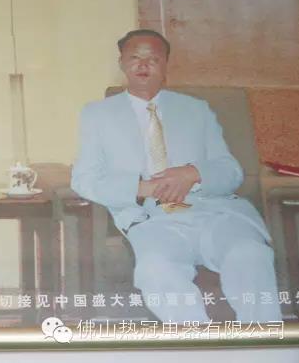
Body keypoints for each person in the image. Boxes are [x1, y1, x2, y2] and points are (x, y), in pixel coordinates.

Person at [71, 29, 281, 323]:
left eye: (153, 59)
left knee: (250, 255)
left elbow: (230, 171)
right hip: (153, 218)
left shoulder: (196, 109)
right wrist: (142, 187)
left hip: (215, 213)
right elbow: (84, 179)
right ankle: (196, 344)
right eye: (134, 58)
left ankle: (265, 344)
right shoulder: (98, 115)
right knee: (156, 269)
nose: (143, 65)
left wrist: (194, 173)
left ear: (165, 64)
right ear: (122, 63)